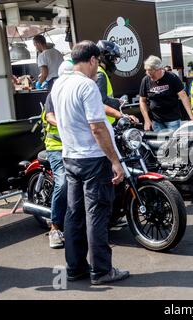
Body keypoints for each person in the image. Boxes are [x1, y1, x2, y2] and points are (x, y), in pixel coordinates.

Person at [51, 40, 129, 285]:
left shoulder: (58, 84)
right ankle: (102, 271)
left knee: (74, 214)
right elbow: (97, 127)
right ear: (93, 59)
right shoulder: (87, 86)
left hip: (70, 156)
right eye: (98, 62)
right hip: (92, 158)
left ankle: (75, 269)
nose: (99, 68)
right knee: (96, 214)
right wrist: (114, 161)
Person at [41, 60, 74, 249]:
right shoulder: (54, 93)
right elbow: (49, 116)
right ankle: (54, 228)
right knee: (63, 182)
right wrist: (63, 123)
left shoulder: (77, 91)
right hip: (56, 146)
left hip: (75, 146)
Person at [140, 55, 193, 132]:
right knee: (160, 144)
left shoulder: (172, 77)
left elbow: (183, 96)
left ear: (159, 69)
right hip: (156, 121)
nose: (150, 76)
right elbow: (142, 100)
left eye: (151, 74)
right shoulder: (146, 80)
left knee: (173, 143)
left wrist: (191, 116)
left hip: (173, 120)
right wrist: (146, 120)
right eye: (147, 73)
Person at [96, 40, 137, 125]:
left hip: (107, 120)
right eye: (113, 58)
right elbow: (101, 102)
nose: (114, 61)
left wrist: (114, 100)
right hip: (106, 122)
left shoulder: (100, 72)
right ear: (106, 57)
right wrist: (118, 102)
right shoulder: (101, 75)